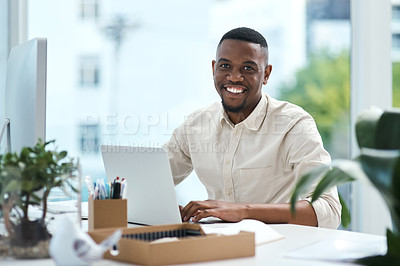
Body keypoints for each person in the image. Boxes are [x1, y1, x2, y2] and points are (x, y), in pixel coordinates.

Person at [165, 27, 341, 229]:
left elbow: (329, 209)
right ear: (214, 68)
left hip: (278, 249)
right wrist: (168, 212)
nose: (234, 77)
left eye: (248, 68)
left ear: (266, 74)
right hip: (215, 247)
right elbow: (148, 180)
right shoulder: (195, 125)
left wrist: (243, 211)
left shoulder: (294, 124)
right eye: (225, 66)